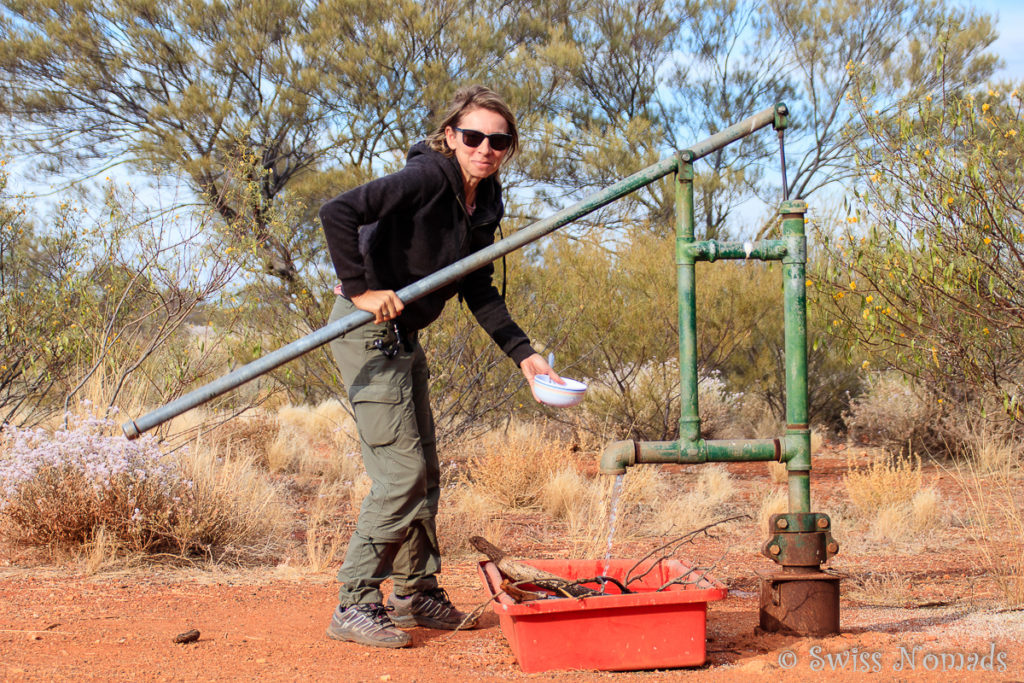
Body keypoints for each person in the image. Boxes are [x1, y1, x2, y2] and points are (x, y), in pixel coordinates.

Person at [318, 85, 560, 649]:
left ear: (508, 148)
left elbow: (478, 287)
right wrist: (361, 290)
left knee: (425, 470)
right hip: (366, 331)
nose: (485, 148)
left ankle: (415, 592)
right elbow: (339, 211)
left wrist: (526, 357)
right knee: (399, 476)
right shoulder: (427, 179)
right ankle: (354, 602)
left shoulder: (485, 201)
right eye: (473, 136)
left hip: (402, 334)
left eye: (498, 141)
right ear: (450, 136)